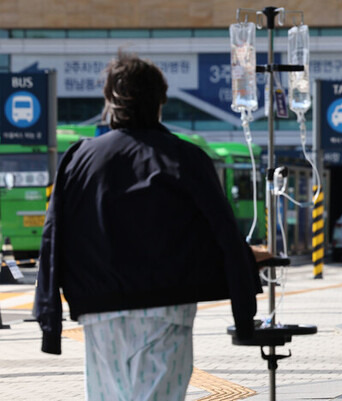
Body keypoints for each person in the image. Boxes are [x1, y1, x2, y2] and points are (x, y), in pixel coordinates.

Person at [34, 52, 263, 401]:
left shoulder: (79, 160)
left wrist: (50, 325)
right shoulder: (184, 158)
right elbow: (225, 235)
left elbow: (52, 240)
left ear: (110, 101)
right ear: (160, 101)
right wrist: (244, 315)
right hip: (166, 308)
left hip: (98, 311)